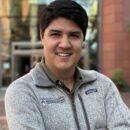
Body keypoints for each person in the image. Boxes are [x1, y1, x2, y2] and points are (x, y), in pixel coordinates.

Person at [5, 0, 130, 130]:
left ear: (82, 40)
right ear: (42, 36)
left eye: (74, 35)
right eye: (55, 34)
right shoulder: (22, 91)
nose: (64, 44)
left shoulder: (103, 85)